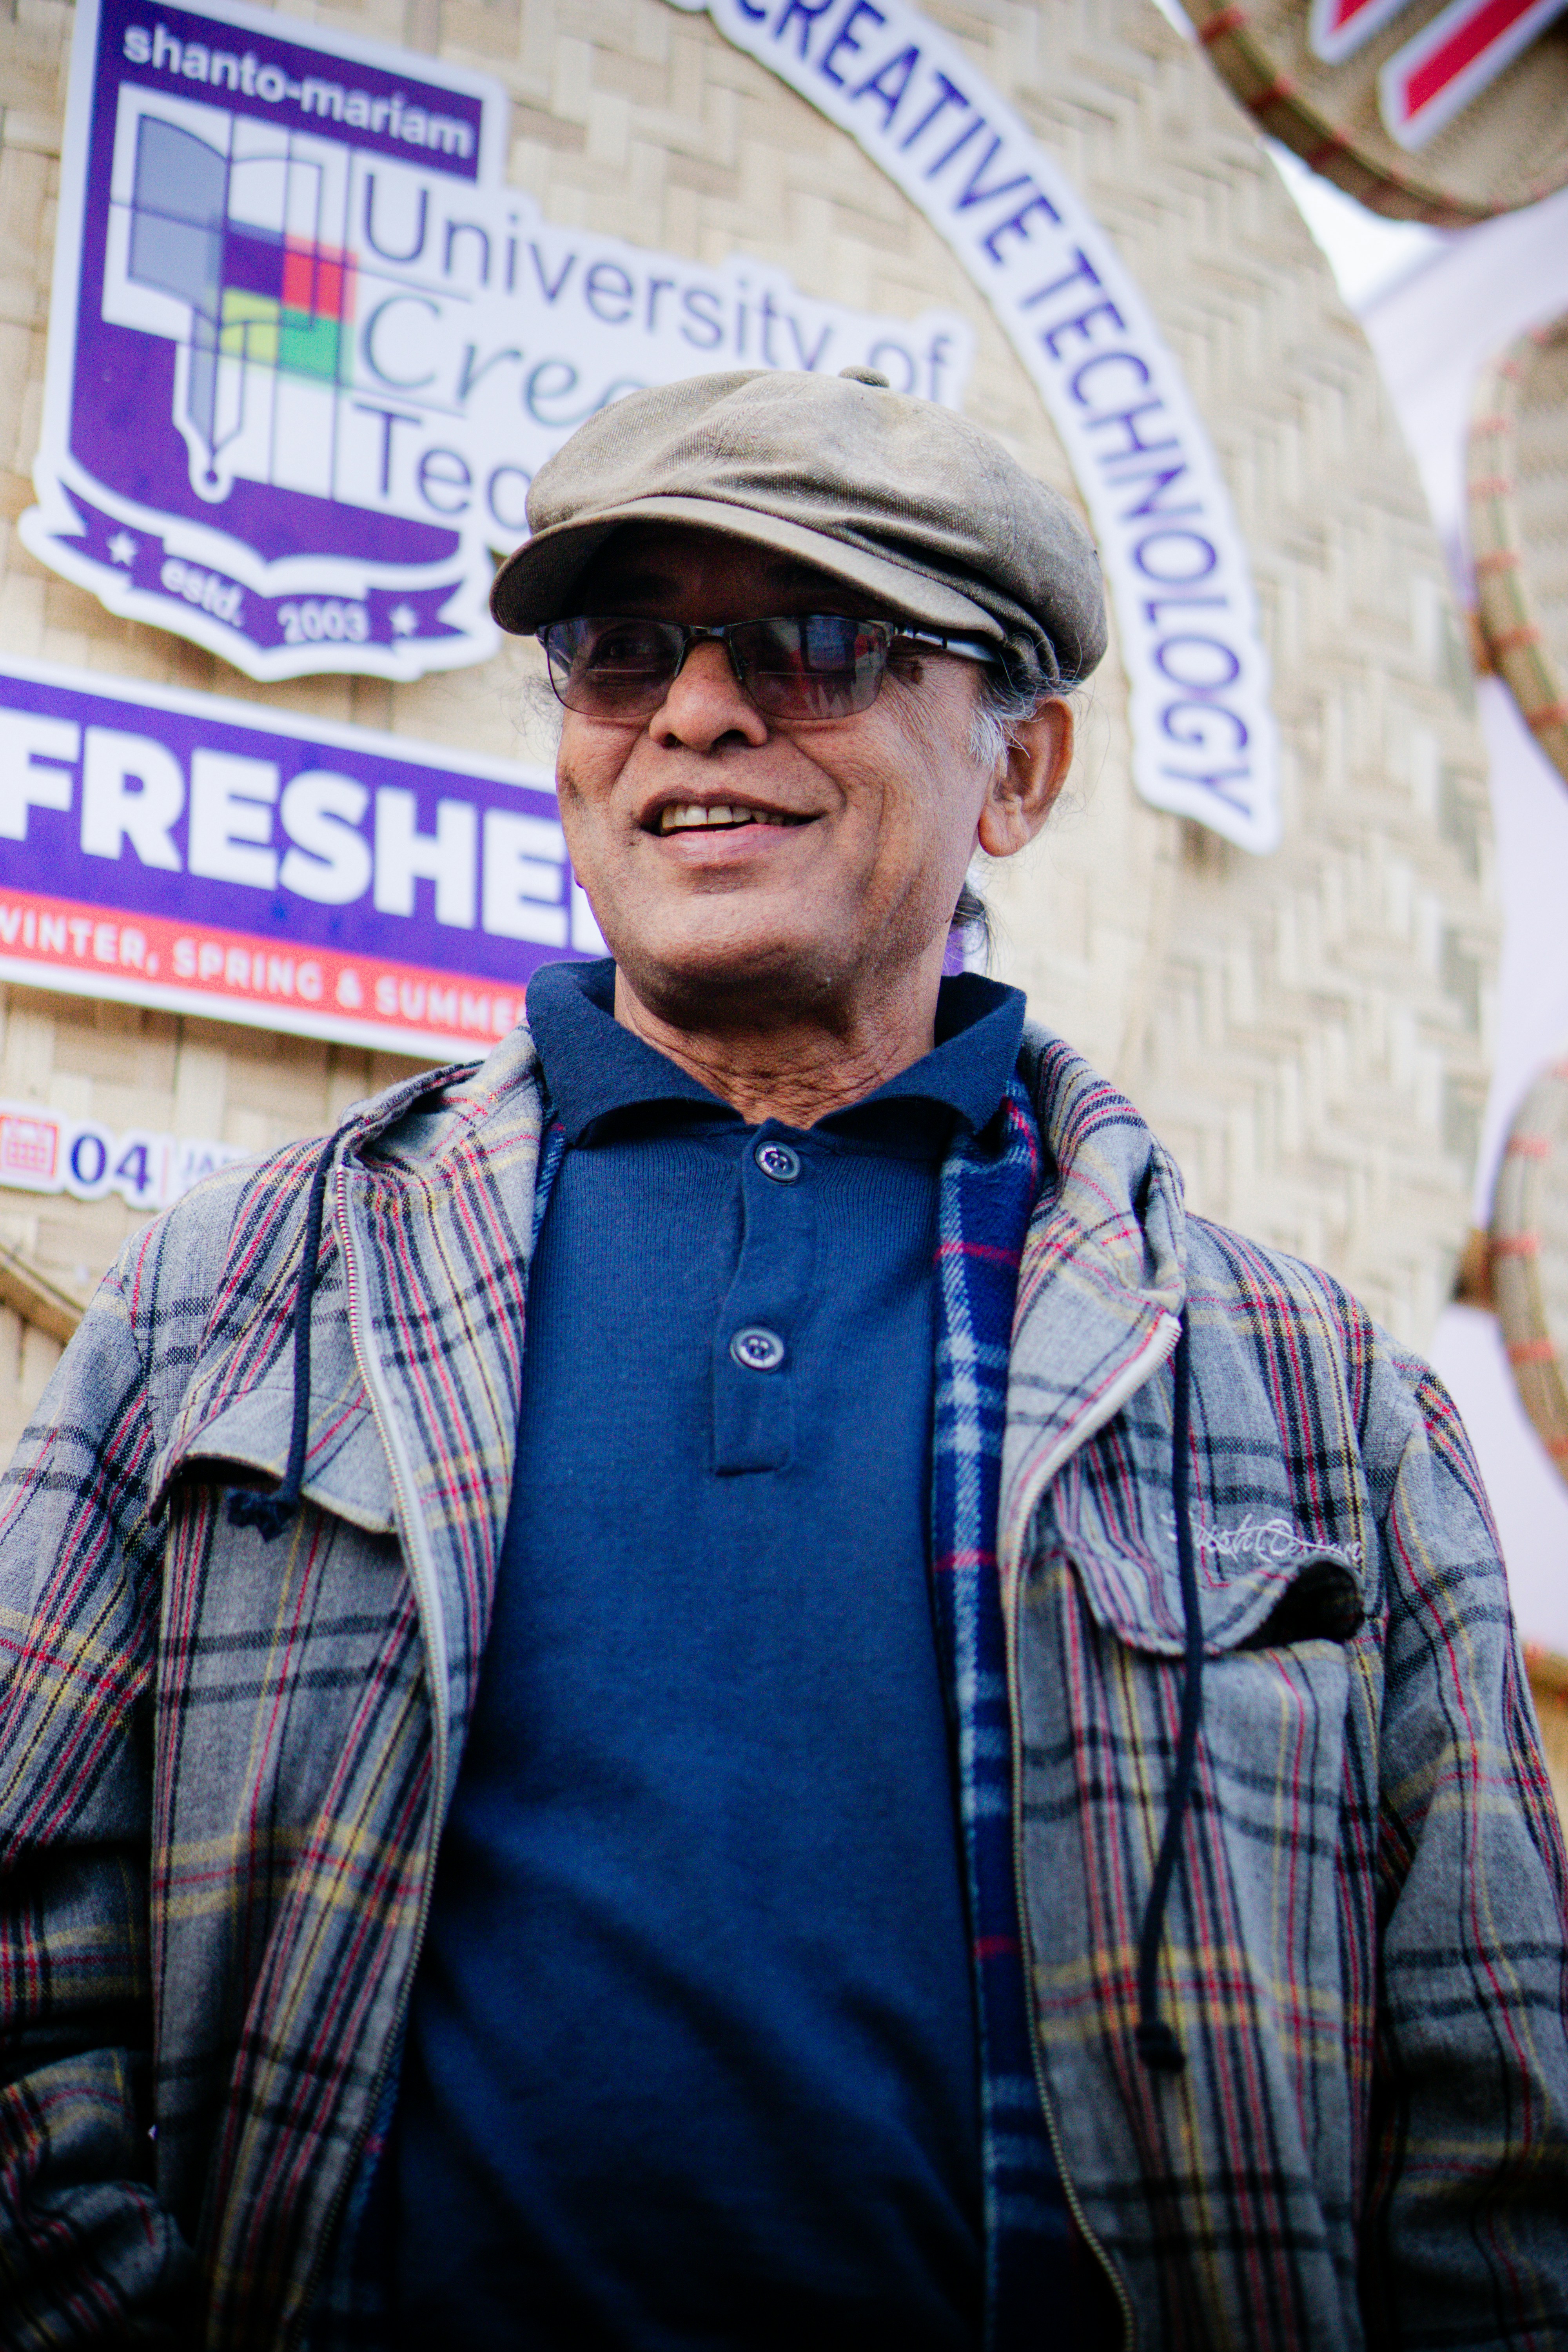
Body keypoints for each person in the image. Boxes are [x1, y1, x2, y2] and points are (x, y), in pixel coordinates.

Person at [1, 366, 1564, 2352]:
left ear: (1016, 771)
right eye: (621, 646)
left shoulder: (1312, 1401)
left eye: (815, 644)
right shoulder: (232, 1297)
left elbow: (1500, 2148)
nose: (700, 710)